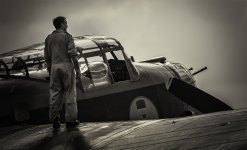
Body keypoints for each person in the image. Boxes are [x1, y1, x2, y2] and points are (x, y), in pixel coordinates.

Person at [44, 16, 81, 129]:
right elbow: (73, 55)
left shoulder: (48, 38)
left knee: (55, 94)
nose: (67, 25)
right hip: (66, 65)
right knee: (70, 93)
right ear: (61, 24)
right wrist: (78, 70)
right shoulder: (67, 37)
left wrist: (50, 71)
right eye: (66, 23)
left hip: (54, 67)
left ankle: (55, 118)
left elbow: (47, 57)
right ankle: (70, 120)